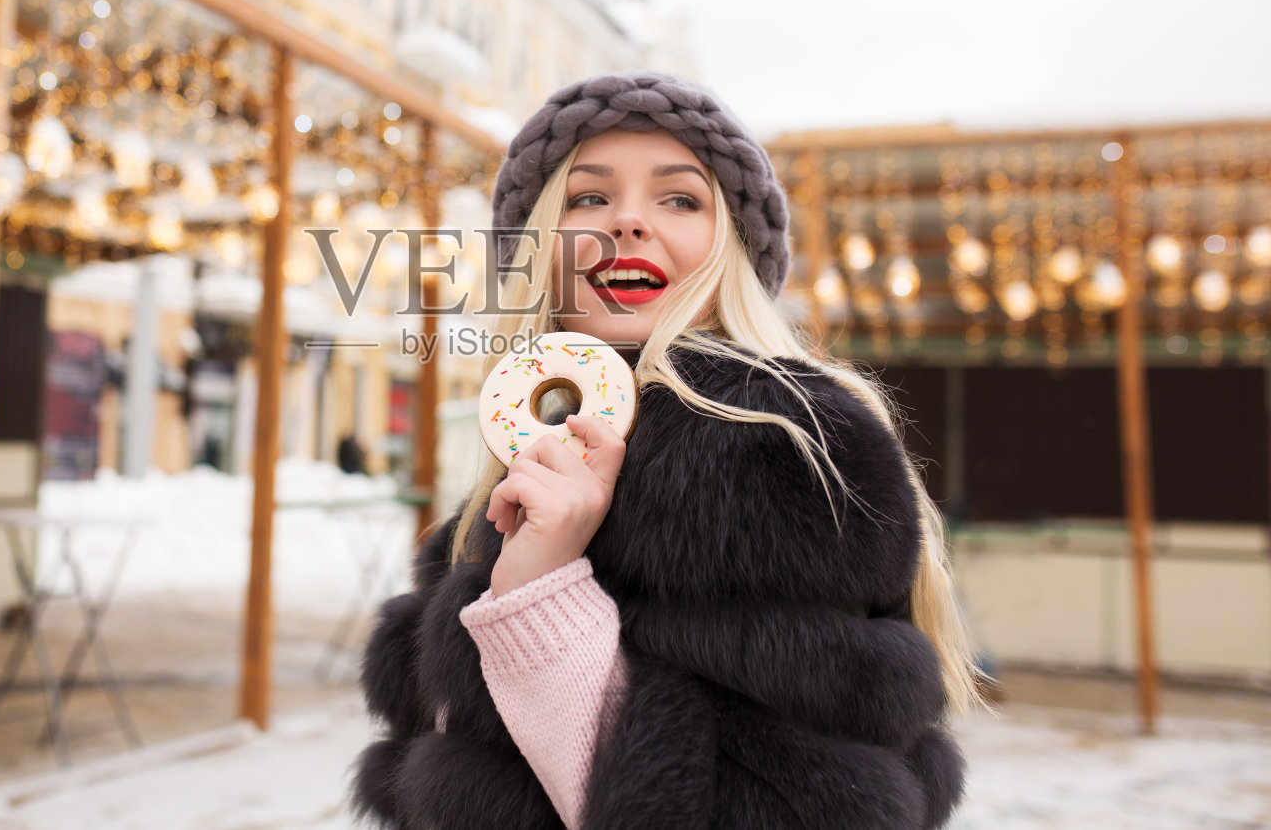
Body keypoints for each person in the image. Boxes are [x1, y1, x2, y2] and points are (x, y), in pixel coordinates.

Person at [353, 72, 980, 829]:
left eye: (679, 198)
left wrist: (539, 594)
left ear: (730, 252)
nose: (627, 220)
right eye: (588, 198)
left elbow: (775, 798)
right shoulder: (514, 470)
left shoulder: (786, 448)